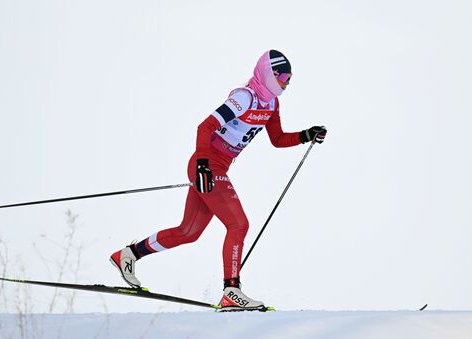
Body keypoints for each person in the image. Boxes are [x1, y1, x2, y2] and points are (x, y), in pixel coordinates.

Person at [110, 50, 327, 310]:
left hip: (217, 166)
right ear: (269, 74)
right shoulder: (244, 97)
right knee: (238, 224)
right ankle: (231, 290)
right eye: (283, 77)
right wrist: (203, 164)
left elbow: (277, 139)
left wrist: (306, 135)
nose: (286, 84)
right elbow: (205, 127)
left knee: (188, 232)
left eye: (289, 79)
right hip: (207, 164)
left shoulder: (271, 105)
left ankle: (128, 254)